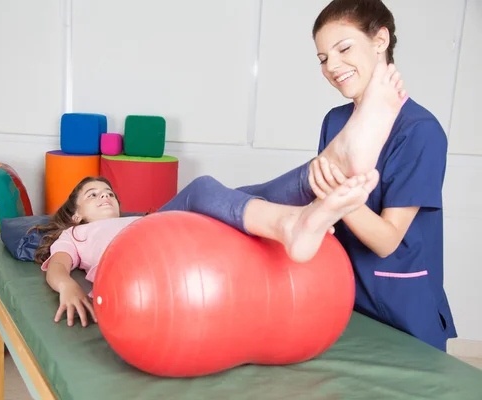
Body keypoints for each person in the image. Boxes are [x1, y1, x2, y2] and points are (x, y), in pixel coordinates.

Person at [35, 61, 407, 329]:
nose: (104, 196)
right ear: (75, 215)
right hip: (139, 252)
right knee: (201, 190)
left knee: (242, 196)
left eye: (108, 192)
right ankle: (296, 216)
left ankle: (325, 170)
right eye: (92, 195)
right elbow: (58, 266)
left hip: (159, 231)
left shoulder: (131, 218)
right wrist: (67, 286)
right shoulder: (76, 235)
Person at [302, 0, 456, 352]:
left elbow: (387, 241)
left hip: (401, 312)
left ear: (380, 40)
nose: (332, 66)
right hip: (342, 298)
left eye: (343, 48)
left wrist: (338, 195)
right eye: (323, 58)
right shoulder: (335, 122)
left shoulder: (419, 131)